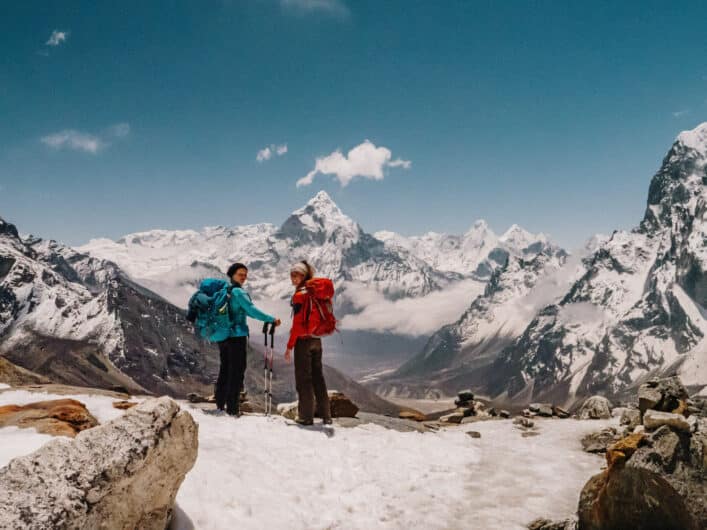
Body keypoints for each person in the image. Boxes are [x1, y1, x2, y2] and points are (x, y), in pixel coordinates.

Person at [214, 262, 280, 416]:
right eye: (240, 274)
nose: (243, 277)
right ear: (232, 275)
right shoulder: (238, 293)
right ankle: (232, 408)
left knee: (225, 369)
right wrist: (270, 319)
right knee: (237, 372)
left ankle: (220, 404)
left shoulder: (225, 290)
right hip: (236, 337)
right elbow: (251, 310)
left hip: (223, 336)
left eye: (245, 275)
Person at [285, 260, 331, 426]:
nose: (293, 277)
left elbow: (297, 325)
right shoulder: (314, 293)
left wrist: (290, 346)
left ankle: (305, 416)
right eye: (292, 274)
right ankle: (326, 416)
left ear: (303, 276)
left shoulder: (300, 295)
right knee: (318, 377)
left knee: (303, 379)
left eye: (296, 274)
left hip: (303, 341)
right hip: (317, 340)